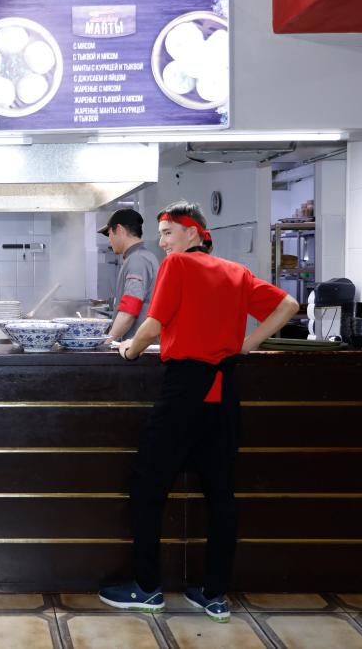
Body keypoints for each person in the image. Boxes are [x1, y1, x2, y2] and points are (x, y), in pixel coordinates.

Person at [98, 201, 298, 622]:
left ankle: (147, 588)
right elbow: (289, 306)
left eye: (168, 233)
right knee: (220, 494)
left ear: (193, 233)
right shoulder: (236, 272)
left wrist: (129, 349)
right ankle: (214, 594)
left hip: (185, 389)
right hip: (223, 390)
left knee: (148, 485)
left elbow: (153, 325)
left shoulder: (178, 265)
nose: (162, 242)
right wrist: (246, 345)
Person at [98, 208, 159, 341]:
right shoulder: (144, 256)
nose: (109, 240)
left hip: (139, 348)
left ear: (119, 230)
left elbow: (129, 310)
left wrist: (107, 341)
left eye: (109, 234)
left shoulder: (137, 259)